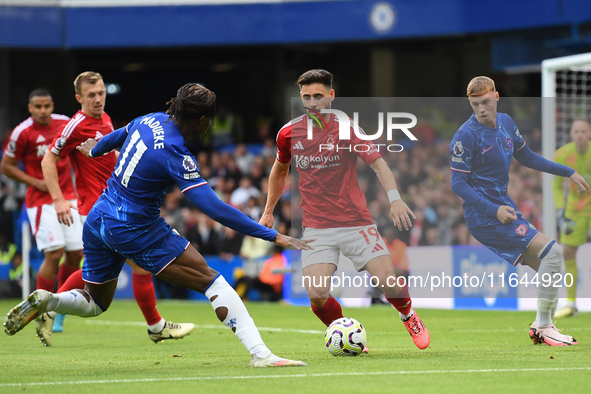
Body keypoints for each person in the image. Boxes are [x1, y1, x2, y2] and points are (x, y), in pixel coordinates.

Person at [4, 83, 311, 368]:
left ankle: (51, 299)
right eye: (210, 121)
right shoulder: (175, 152)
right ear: (202, 120)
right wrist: (271, 235)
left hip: (99, 217)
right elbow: (215, 208)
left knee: (97, 302)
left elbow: (116, 136)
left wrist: (95, 150)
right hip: (134, 226)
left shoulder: (149, 119)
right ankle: (261, 354)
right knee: (213, 281)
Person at [260, 69, 430, 350]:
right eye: (306, 97)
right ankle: (344, 334)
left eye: (318, 96)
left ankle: (408, 315)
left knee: (390, 283)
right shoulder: (288, 133)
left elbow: (378, 164)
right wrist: (268, 211)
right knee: (316, 293)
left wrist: (395, 198)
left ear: (331, 95)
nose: (312, 102)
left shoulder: (347, 127)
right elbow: (279, 171)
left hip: (356, 222)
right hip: (316, 228)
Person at [40, 71, 193, 344]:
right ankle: (156, 326)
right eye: (91, 96)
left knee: (97, 272)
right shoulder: (76, 125)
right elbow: (48, 160)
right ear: (79, 98)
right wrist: (58, 198)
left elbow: (109, 155)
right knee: (139, 268)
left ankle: (51, 309)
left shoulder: (105, 119)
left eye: (101, 93)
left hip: (115, 205)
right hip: (101, 208)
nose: (98, 99)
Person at [450, 76, 590, 346]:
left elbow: (526, 157)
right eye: (475, 104)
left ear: (496, 97)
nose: (480, 109)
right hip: (485, 217)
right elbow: (457, 184)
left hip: (505, 209)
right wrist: (494, 210)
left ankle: (544, 325)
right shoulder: (465, 136)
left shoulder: (506, 123)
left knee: (551, 267)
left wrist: (568, 171)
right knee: (555, 251)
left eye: (485, 102)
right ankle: (544, 325)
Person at [1, 89, 84, 303]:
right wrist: (35, 181)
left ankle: (61, 306)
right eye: (38, 107)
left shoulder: (65, 123)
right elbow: (6, 166)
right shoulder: (22, 132)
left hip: (70, 198)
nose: (43, 111)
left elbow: (79, 148)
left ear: (52, 105)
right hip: (42, 202)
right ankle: (42, 309)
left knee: (76, 254)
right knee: (55, 254)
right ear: (30, 108)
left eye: (47, 106)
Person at [552, 118, 591, 318]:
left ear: (589, 133)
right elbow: (557, 186)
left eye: (583, 131)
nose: (580, 135)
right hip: (575, 209)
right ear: (571, 134)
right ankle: (571, 304)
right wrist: (560, 212)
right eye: (576, 131)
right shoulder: (562, 154)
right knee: (567, 253)